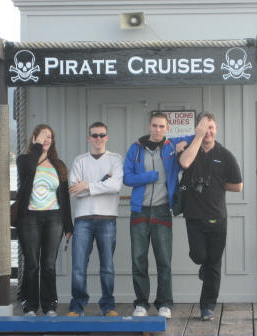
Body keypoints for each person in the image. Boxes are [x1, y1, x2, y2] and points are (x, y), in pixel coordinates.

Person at [123, 112, 192, 319]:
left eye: (162, 126)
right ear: (149, 126)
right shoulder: (135, 149)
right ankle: (141, 304)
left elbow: (196, 137)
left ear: (167, 128)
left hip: (163, 211)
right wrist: (149, 177)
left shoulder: (172, 146)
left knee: (164, 260)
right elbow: (127, 178)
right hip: (139, 211)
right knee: (138, 260)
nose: (158, 130)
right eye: (155, 125)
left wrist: (184, 146)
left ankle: (165, 304)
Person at [179, 112, 243, 321]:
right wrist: (195, 139)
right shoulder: (189, 149)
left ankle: (207, 307)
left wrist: (217, 184)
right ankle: (202, 266)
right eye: (204, 127)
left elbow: (238, 185)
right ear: (198, 129)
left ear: (216, 129)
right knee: (199, 256)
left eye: (211, 127)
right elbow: (185, 164)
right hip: (194, 216)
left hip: (217, 217)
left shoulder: (224, 155)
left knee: (214, 263)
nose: (208, 131)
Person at [16, 124, 73, 316]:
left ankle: (50, 306)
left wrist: (68, 225)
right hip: (29, 218)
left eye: (50, 137)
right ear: (34, 139)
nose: (46, 140)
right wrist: (37, 148)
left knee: (48, 264)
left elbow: (64, 197)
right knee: (32, 264)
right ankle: (30, 305)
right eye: (42, 137)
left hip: (54, 218)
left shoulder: (59, 165)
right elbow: (29, 168)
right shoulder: (24, 160)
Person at [67, 122, 123, 317]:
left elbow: (115, 186)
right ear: (89, 138)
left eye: (102, 135)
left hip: (107, 219)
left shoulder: (116, 160)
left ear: (107, 137)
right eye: (95, 135)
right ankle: (77, 306)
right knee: (78, 267)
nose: (98, 139)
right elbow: (75, 191)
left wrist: (87, 186)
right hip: (82, 219)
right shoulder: (80, 161)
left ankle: (108, 306)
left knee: (107, 266)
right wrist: (100, 184)